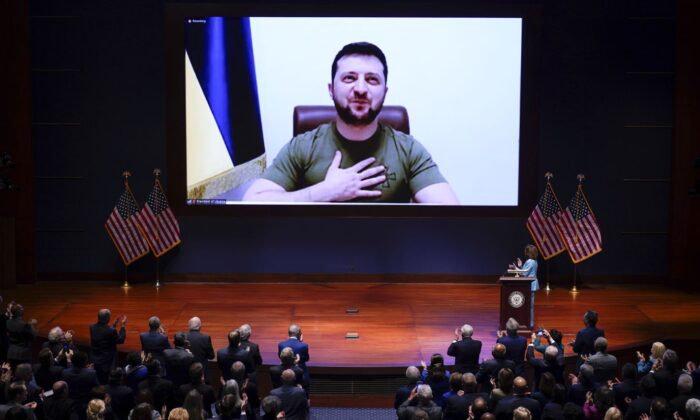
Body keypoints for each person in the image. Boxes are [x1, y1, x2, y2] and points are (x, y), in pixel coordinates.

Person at [243, 41, 459, 204]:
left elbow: (449, 212)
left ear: (384, 92)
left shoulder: (408, 149)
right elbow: (252, 202)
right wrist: (321, 192)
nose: (361, 89)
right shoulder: (303, 146)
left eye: (372, 79)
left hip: (388, 258)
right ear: (331, 89)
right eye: (349, 78)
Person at [89, 309, 126, 384]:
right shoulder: (111, 331)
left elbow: (105, 335)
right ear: (108, 318)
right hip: (107, 363)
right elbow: (120, 340)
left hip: (95, 359)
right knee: (106, 382)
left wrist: (114, 325)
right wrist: (123, 326)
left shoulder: (92, 327)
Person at [512, 244, 539, 328]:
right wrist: (520, 266)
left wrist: (515, 268)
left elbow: (524, 273)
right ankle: (529, 322)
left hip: (529, 284)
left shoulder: (530, 261)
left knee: (529, 306)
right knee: (529, 305)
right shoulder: (534, 261)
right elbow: (525, 271)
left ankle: (529, 323)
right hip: (531, 284)